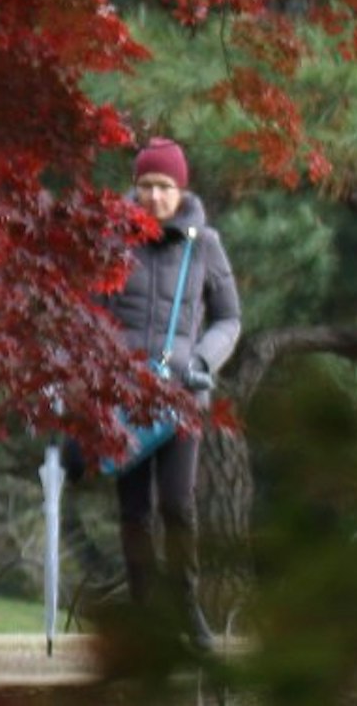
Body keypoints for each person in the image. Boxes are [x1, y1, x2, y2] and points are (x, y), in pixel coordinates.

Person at [108, 136, 242, 644]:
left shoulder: (204, 244)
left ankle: (187, 605)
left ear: (180, 188)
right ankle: (145, 613)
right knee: (134, 509)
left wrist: (204, 359)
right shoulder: (112, 240)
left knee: (178, 505)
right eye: (145, 186)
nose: (154, 197)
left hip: (183, 394)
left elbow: (229, 317)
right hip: (122, 395)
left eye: (164, 186)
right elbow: (85, 312)